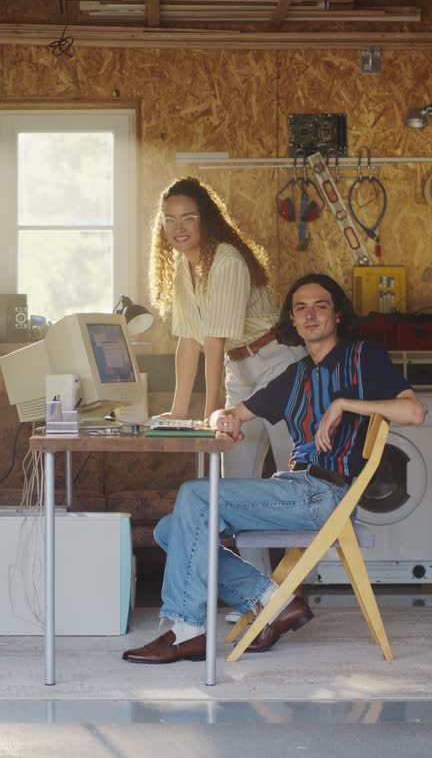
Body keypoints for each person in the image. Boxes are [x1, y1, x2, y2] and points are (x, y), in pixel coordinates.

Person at [123, 274, 425, 664]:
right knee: (171, 529)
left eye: (320, 306)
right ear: (292, 321)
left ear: (336, 315)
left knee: (194, 495)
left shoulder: (362, 357)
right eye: (301, 308)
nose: (310, 314)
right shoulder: (295, 375)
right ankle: (273, 601)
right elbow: (233, 410)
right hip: (294, 487)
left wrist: (345, 404)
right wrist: (224, 418)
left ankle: (186, 630)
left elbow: (414, 411)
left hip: (325, 494)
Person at [149, 176, 305, 584]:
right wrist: (179, 414)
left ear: (207, 220)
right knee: (236, 487)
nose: (178, 228)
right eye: (169, 221)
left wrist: (208, 420)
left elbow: (213, 346)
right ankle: (260, 595)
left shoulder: (228, 261)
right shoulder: (186, 265)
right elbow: (189, 342)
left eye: (188, 218)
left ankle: (297, 585)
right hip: (241, 373)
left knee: (297, 479)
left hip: (279, 367)